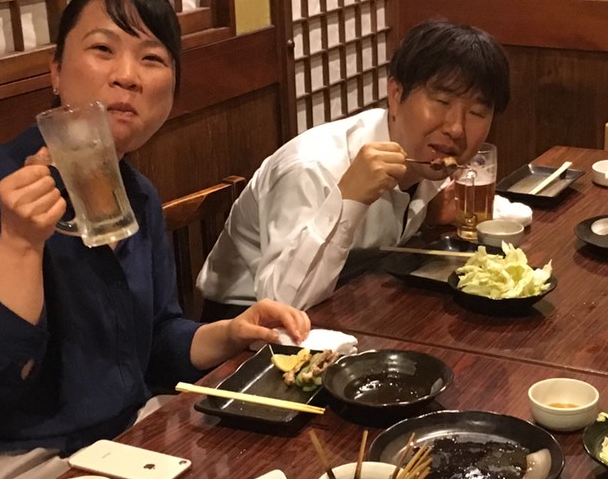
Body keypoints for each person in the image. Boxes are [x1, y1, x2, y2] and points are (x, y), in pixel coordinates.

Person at [0, 0, 309, 479]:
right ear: (55, 71)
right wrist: (21, 243)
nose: (127, 76)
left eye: (152, 59)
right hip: (27, 468)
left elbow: (157, 339)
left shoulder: (136, 193)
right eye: (103, 50)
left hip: (130, 437)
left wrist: (230, 331)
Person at [196, 18, 510, 311]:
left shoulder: (429, 160)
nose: (456, 128)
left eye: (477, 113)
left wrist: (426, 216)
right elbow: (282, 305)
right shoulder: (313, 167)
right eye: (441, 102)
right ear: (396, 95)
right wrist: (349, 199)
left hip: (351, 298)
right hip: (245, 324)